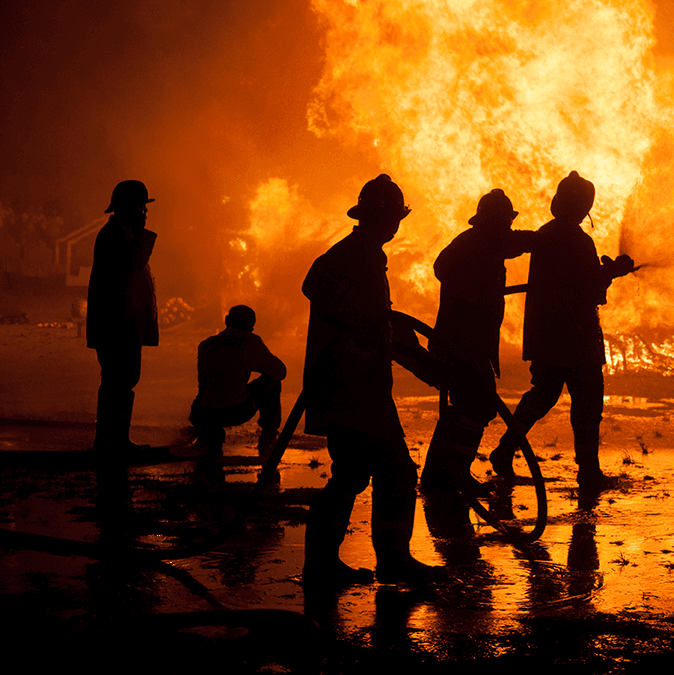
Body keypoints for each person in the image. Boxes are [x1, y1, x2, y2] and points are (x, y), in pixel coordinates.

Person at [301, 174, 445, 588]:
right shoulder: (349, 256)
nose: (396, 225)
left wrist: (427, 366)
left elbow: (384, 326)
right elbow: (317, 286)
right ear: (377, 216)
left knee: (354, 474)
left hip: (361, 389)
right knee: (393, 473)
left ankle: (329, 564)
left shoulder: (367, 257)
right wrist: (358, 322)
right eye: (392, 216)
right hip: (348, 388)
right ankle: (389, 562)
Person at [489, 171, 634, 491]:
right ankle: (588, 471)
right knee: (587, 402)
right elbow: (592, 292)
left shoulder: (546, 234)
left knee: (542, 395)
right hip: (576, 338)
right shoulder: (579, 241)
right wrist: (613, 271)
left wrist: (605, 272)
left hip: (546, 336)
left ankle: (505, 450)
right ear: (584, 207)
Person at [419, 189, 536, 495]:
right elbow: (520, 242)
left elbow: (515, 244)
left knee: (468, 406)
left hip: (468, 344)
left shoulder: (479, 245)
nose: (509, 229)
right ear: (495, 222)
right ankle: (450, 474)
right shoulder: (480, 243)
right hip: (461, 345)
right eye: (505, 222)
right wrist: (555, 239)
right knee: (478, 404)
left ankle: (441, 474)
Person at [86, 180, 159, 459]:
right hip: (117, 323)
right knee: (119, 379)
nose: (144, 213)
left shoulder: (119, 232)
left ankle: (114, 439)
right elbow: (134, 264)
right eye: (141, 207)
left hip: (120, 322)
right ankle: (111, 441)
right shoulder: (118, 235)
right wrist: (142, 234)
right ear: (131, 207)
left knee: (121, 380)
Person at [188, 305, 287, 458]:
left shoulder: (206, 344)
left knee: (210, 391)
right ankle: (268, 438)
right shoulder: (250, 342)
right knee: (273, 382)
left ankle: (208, 435)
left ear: (226, 320)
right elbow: (280, 372)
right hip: (235, 412)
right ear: (251, 327)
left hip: (202, 413)